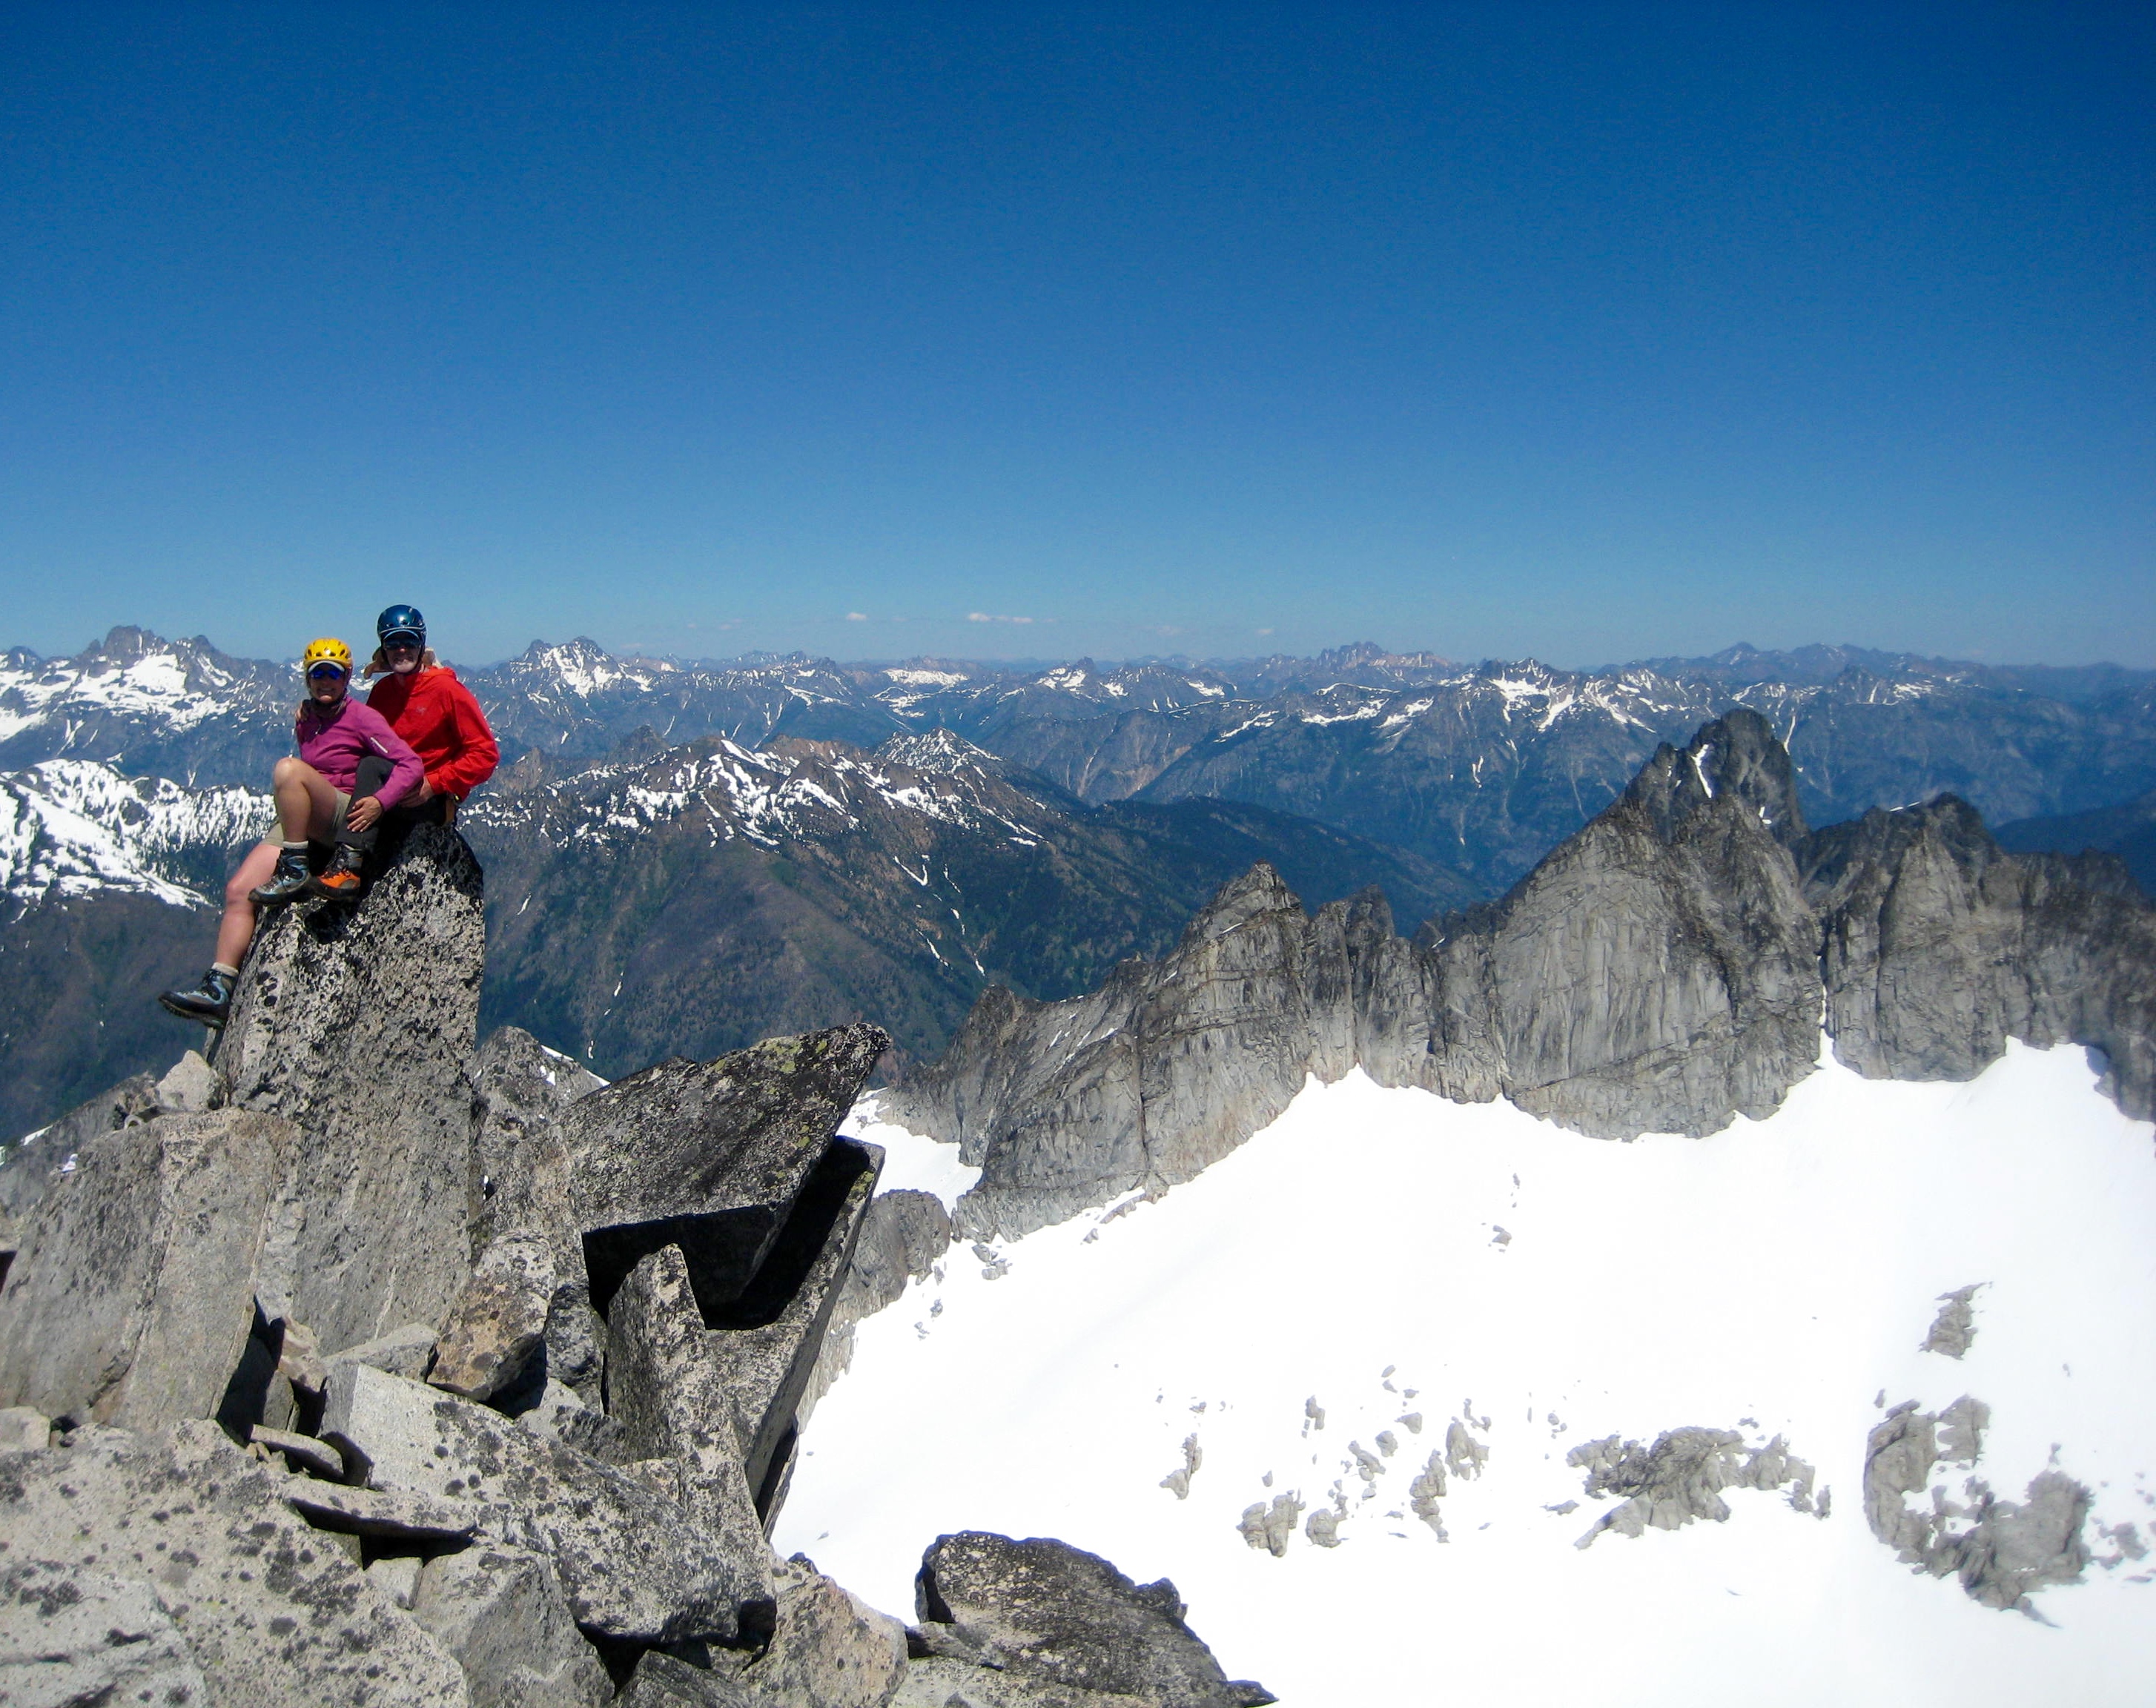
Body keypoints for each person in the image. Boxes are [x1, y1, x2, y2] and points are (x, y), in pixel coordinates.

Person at [157, 637, 423, 1025]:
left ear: (347, 677)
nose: (325, 682)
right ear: (307, 679)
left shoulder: (361, 718)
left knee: (287, 770)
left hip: (343, 817)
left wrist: (380, 802)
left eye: (333, 674)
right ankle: (219, 989)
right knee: (238, 891)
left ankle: (295, 867)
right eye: (318, 675)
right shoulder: (308, 718)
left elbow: (410, 764)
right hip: (309, 818)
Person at [361, 603, 500, 819]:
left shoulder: (447, 690)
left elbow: (485, 755)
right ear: (383, 648)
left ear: (421, 644)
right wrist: (313, 711)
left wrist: (434, 783)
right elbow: (363, 740)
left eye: (410, 641)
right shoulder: (382, 691)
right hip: (387, 793)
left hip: (427, 801)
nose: (402, 649)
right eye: (393, 643)